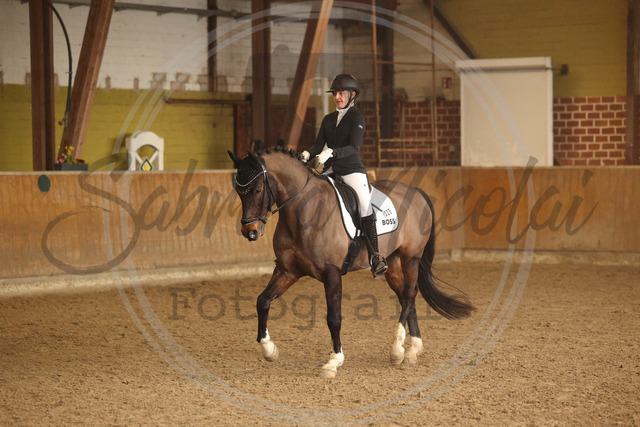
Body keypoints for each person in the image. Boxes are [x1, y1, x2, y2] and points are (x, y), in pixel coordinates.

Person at [301, 73, 388, 278]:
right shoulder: (328, 119)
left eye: (341, 93)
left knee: (365, 205)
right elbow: (318, 145)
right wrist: (307, 154)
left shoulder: (357, 118)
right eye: (335, 94)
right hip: (331, 170)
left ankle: (375, 256)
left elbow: (353, 148)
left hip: (351, 170)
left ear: (352, 95)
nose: (337, 97)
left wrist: (332, 152)